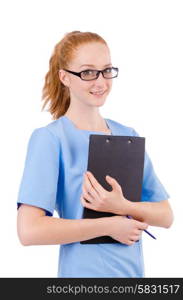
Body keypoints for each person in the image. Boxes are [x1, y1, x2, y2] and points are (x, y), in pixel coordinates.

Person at [17, 30, 173, 278]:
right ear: (65, 77)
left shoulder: (127, 135)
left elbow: (165, 215)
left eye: (107, 70)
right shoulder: (50, 139)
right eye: (88, 72)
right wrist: (110, 224)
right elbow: (29, 230)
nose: (100, 82)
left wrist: (122, 205)